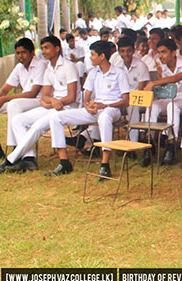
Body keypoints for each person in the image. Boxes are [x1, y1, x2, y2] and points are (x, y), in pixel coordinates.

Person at [0, 35, 81, 174]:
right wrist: (48, 102)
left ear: (57, 48)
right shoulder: (49, 69)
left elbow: (72, 97)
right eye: (42, 48)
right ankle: (29, 158)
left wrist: (55, 102)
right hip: (53, 106)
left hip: (67, 107)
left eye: (47, 47)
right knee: (18, 120)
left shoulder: (68, 66)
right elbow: (46, 95)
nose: (44, 51)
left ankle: (10, 159)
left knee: (37, 126)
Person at [47, 41, 130, 180]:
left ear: (102, 56)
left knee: (104, 118)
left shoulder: (119, 73)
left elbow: (125, 101)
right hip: (95, 110)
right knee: (56, 117)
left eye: (92, 54)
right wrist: (87, 105)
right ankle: (64, 162)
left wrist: (106, 105)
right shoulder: (93, 73)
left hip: (112, 109)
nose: (90, 57)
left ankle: (105, 164)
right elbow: (86, 97)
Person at [0, 38, 47, 161]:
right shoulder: (19, 67)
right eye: (18, 53)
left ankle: (16, 148)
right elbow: (5, 89)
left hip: (39, 102)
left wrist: (4, 99)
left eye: (24, 52)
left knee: (14, 104)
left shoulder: (40, 65)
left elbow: (33, 93)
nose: (20, 56)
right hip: (23, 102)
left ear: (32, 52)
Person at [144, 39, 182, 166]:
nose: (160, 56)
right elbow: (165, 88)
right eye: (158, 53)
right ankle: (149, 140)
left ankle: (170, 143)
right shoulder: (162, 67)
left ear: (174, 52)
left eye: (163, 52)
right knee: (153, 105)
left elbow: (175, 78)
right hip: (171, 97)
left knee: (172, 105)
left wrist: (153, 83)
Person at [116, 37, 150, 142]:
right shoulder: (117, 66)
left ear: (133, 51)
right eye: (122, 51)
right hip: (122, 99)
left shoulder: (141, 66)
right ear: (119, 52)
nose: (126, 54)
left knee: (132, 105)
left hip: (140, 100)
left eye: (129, 50)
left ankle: (133, 141)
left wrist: (127, 100)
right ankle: (95, 141)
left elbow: (141, 90)